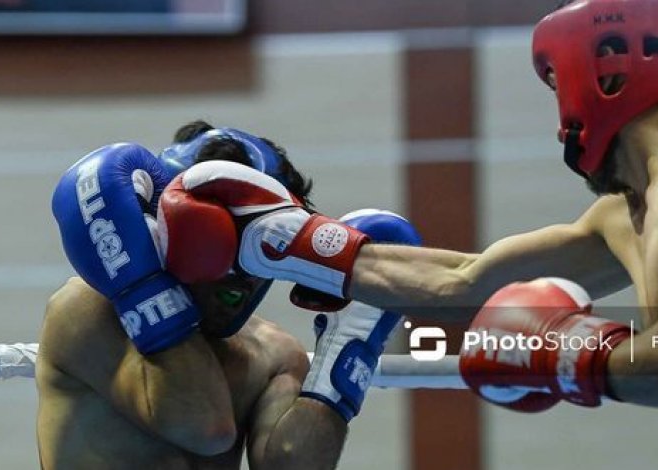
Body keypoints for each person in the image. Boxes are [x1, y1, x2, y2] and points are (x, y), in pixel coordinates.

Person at [155, 0, 658, 468]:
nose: (560, 109)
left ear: (607, 65)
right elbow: (459, 282)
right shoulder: (625, 214)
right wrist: (281, 240)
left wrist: (573, 356)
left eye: (557, 83)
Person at [37, 120, 421, 469]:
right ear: (173, 228)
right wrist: (147, 289)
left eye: (260, 245)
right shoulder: (86, 310)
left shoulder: (273, 352)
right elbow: (204, 426)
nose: (237, 274)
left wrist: (343, 357)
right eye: (220, 241)